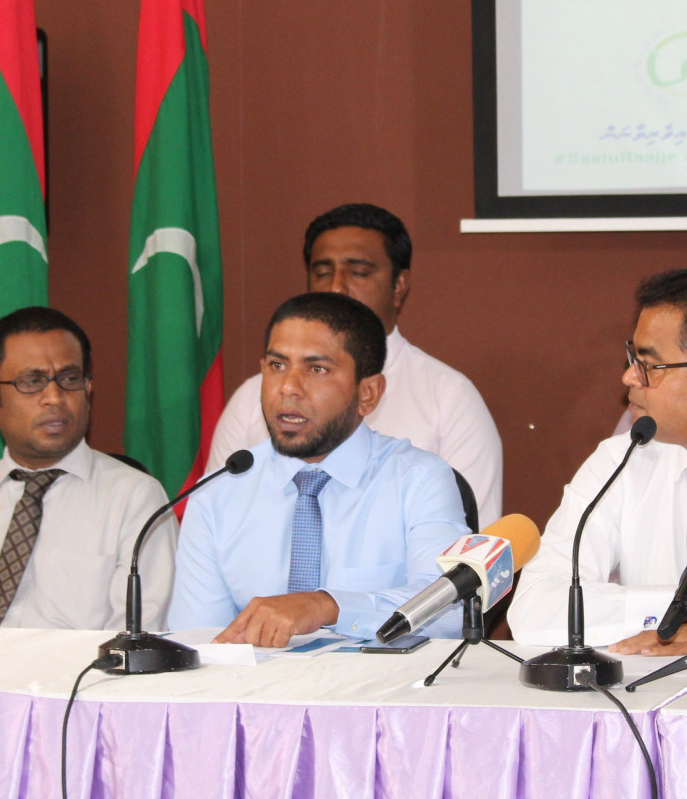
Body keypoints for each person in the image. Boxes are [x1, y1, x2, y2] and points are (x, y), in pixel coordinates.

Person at [168, 292, 470, 646]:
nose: (288, 388)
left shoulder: (418, 480)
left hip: (380, 682)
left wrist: (329, 606)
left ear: (368, 393)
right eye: (277, 365)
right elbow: (199, 641)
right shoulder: (217, 494)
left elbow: (450, 610)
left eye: (317, 369)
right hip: (257, 681)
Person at [206, 203, 503, 529]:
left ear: (399, 286)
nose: (336, 287)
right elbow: (214, 519)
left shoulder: (447, 398)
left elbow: (473, 543)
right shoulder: (254, 397)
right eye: (323, 272)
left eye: (358, 272)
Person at [0, 307, 175, 630]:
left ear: (88, 389)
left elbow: (134, 640)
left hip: (80, 665)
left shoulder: (135, 498)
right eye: (32, 382)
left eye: (69, 379)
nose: (54, 398)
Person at [509, 270, 687, 655]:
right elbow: (534, 610)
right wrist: (673, 614)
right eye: (632, 358)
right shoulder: (623, 459)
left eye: (648, 364)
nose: (628, 377)